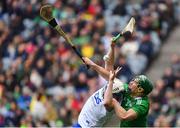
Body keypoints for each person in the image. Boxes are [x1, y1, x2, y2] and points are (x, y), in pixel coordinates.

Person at [83, 57, 153, 127]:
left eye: (135, 82)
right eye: (133, 79)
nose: (131, 82)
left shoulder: (142, 104)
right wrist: (92, 64)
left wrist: (114, 102)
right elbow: (108, 75)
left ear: (140, 90)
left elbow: (124, 116)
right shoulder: (127, 89)